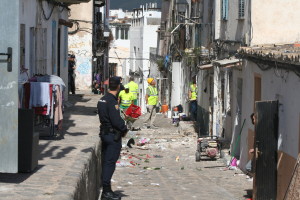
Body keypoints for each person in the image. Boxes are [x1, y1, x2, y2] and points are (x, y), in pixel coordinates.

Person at [97, 77, 128, 200]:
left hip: (104, 133)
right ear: (118, 87)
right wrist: (124, 129)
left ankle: (107, 189)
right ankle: (106, 192)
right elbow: (116, 121)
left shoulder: (102, 99)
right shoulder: (112, 101)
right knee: (110, 163)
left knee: (106, 162)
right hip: (112, 136)